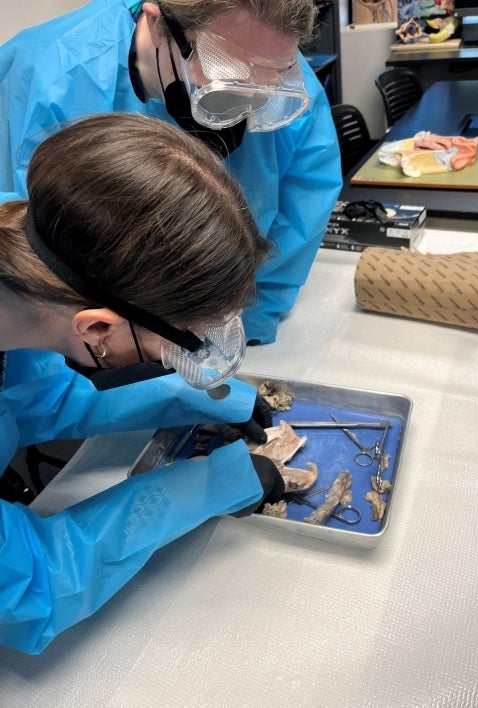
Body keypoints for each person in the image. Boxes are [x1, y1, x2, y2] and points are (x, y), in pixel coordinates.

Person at [0, 112, 285, 655]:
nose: (183, 360)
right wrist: (203, 487)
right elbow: (31, 589)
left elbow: (30, 400)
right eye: (178, 349)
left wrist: (180, 396)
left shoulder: (31, 263)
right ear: (99, 327)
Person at [0, 0, 342, 345]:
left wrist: (239, 329)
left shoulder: (275, 61)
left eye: (268, 79)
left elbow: (304, 206)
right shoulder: (49, 79)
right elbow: (30, 290)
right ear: (158, 22)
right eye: (228, 73)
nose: (248, 97)